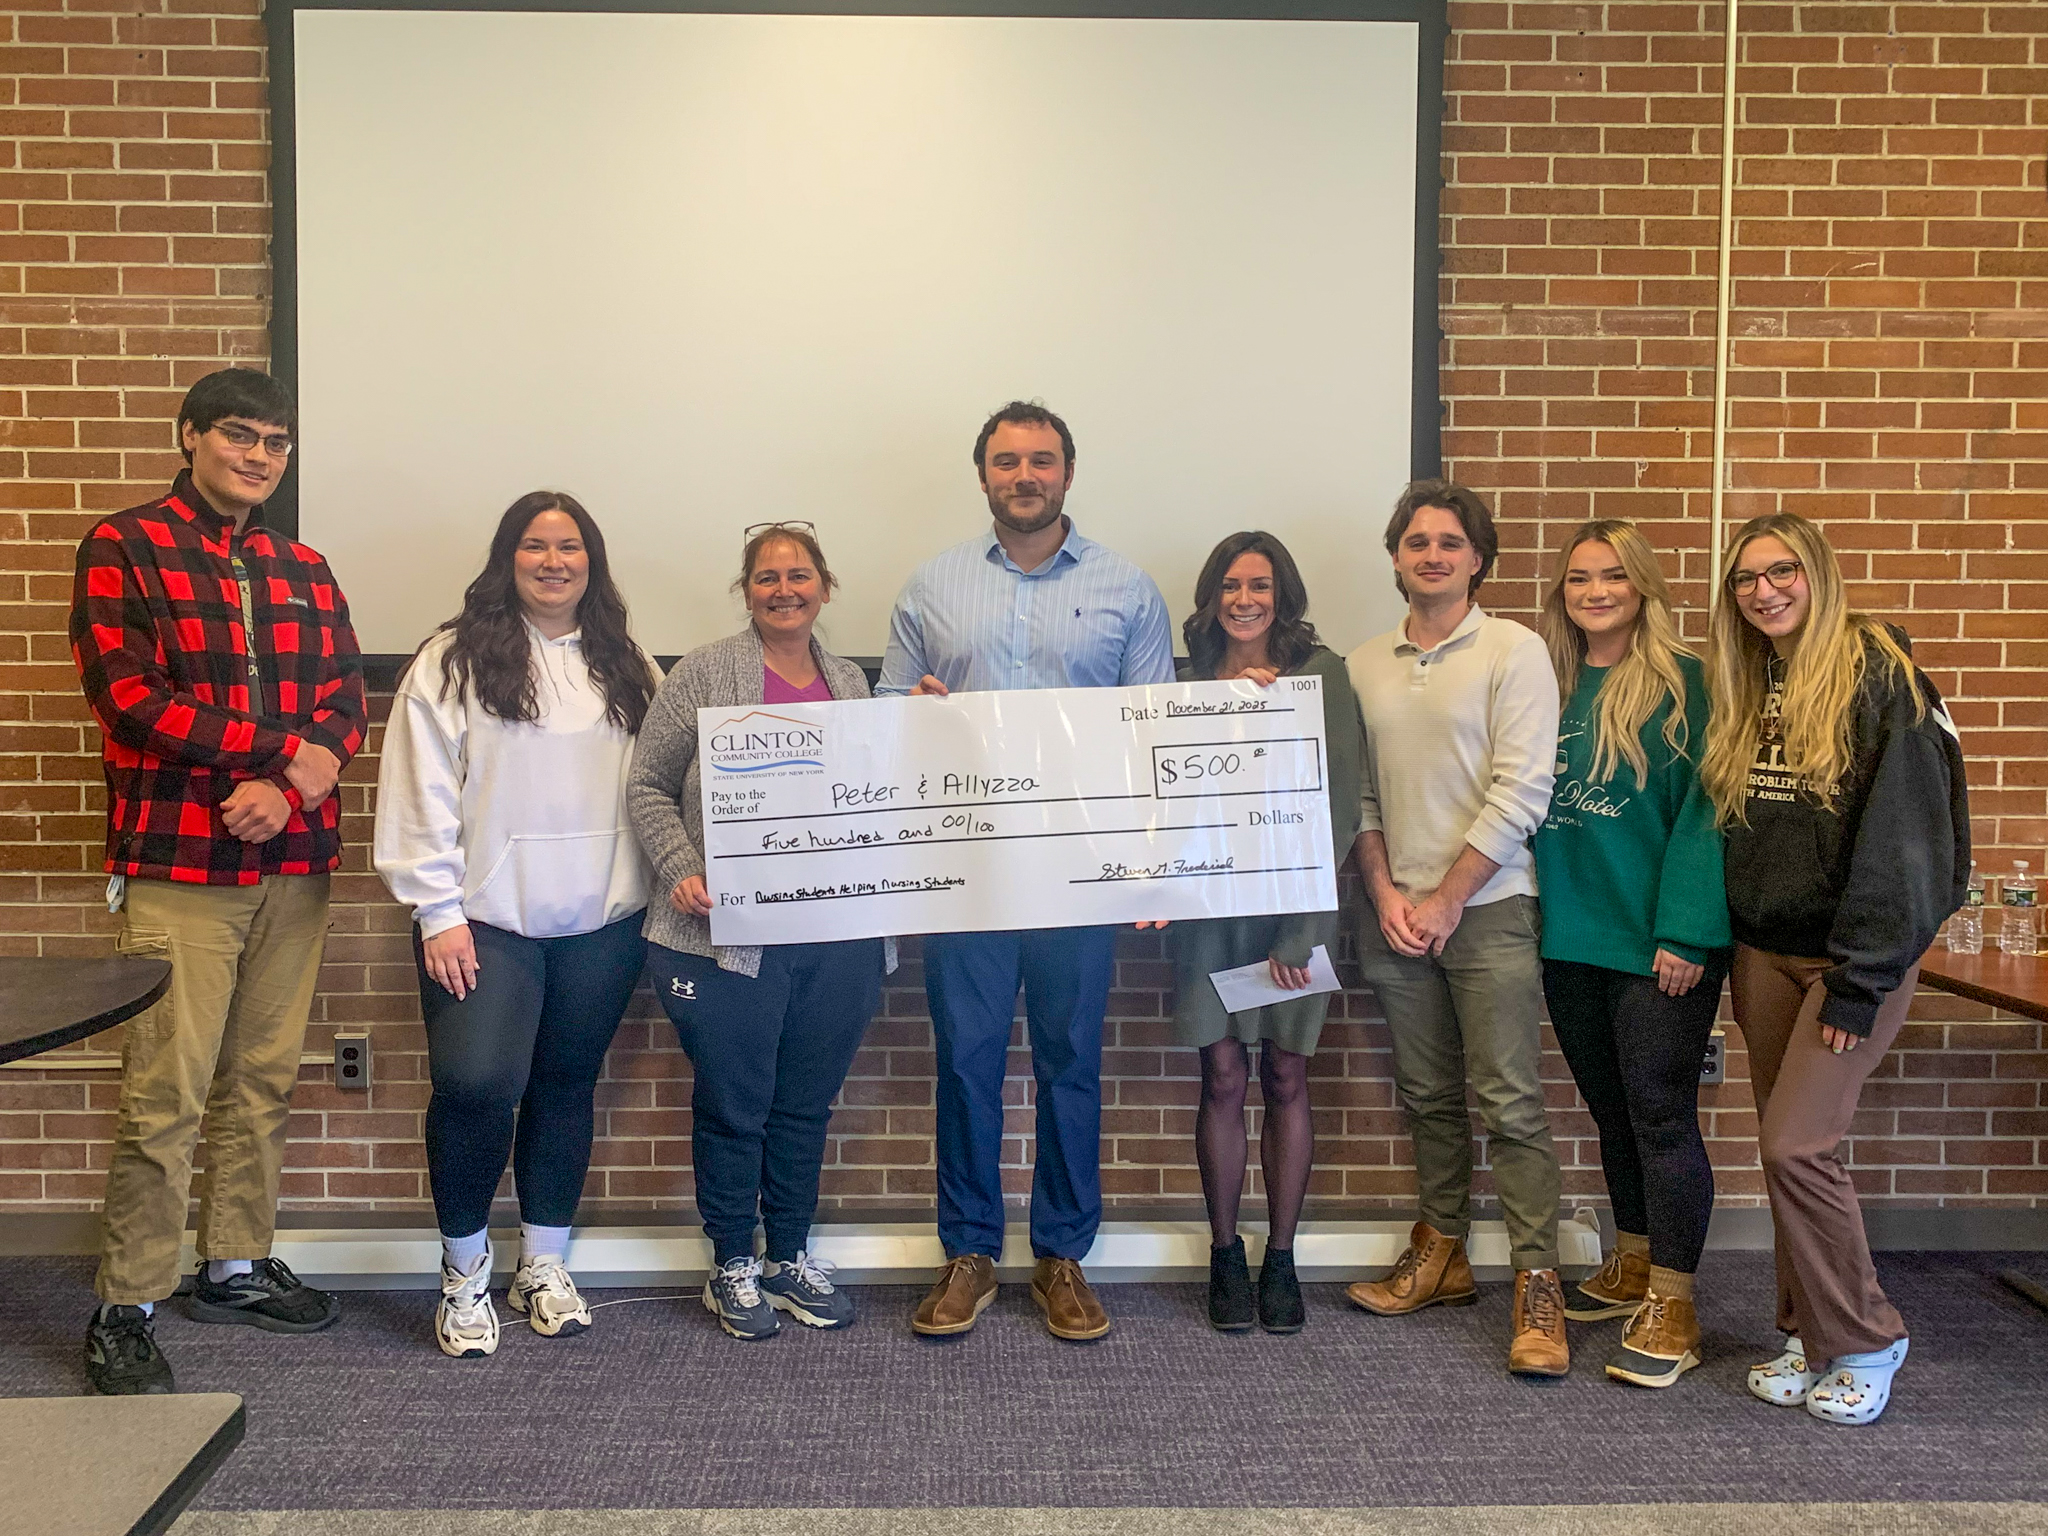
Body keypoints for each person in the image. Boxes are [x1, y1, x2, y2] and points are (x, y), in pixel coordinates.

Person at [69, 368, 365, 1395]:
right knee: (166, 1092)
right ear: (190, 437)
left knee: (264, 1078)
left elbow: (344, 699)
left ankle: (232, 1265)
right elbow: (130, 697)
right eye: (239, 435)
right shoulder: (125, 545)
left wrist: (287, 788)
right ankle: (128, 1300)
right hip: (180, 863)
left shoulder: (305, 566)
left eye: (275, 443)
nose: (258, 456)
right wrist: (284, 757)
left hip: (292, 862)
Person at [879, 401, 1175, 1342]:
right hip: (966, 871)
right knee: (965, 1064)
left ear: (1068, 474)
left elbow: (1153, 734)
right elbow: (886, 715)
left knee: (1069, 1064)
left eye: (1040, 460)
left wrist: (1151, 870)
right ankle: (968, 1250)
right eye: (1006, 461)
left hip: (1078, 877)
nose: (1024, 475)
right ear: (983, 477)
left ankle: (1061, 1256)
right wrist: (917, 713)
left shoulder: (1128, 589)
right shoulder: (933, 585)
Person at [374, 492, 656, 1358]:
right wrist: (436, 910)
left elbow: (657, 781)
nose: (553, 561)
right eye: (534, 546)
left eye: (570, 547)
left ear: (592, 561)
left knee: (566, 1088)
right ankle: (464, 1273)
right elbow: (418, 788)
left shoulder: (626, 660)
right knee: (476, 1087)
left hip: (602, 919)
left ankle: (543, 1262)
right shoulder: (450, 662)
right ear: (508, 558)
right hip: (483, 921)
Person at [1702, 511, 1967, 1425]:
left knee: (1797, 1145)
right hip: (1765, 953)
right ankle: (1802, 1331)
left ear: (1818, 574)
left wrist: (1861, 978)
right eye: (1745, 579)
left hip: (1852, 961)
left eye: (1782, 572)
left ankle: (1865, 1335)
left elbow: (1909, 842)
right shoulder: (1753, 680)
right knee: (1785, 1152)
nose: (1763, 591)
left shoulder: (1879, 673)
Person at [627, 522, 888, 1341]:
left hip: (834, 936)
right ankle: (732, 1262)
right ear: (747, 591)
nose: (784, 590)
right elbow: (646, 786)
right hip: (722, 936)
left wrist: (927, 731)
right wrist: (680, 869)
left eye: (799, 574)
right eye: (767, 577)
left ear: (825, 586)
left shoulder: (849, 680)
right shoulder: (706, 671)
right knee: (737, 1104)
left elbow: (884, 793)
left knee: (805, 1104)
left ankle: (790, 1256)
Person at [1341, 479, 1569, 1377]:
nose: (1431, 554)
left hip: (1491, 908)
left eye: (1449, 541)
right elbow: (1359, 796)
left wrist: (1447, 899)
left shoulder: (1515, 650)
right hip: (1396, 912)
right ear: (1395, 558)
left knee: (1509, 1100)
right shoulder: (1365, 663)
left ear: (1478, 557)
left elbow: (1524, 790)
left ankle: (1538, 1285)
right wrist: (1387, 891)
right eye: (1415, 541)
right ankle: (1440, 1256)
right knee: (1428, 1097)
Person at [1530, 520, 1730, 1388]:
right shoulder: (1548, 680)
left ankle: (1676, 1302)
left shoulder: (1691, 685)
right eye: (1579, 579)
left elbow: (1709, 813)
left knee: (1658, 1111)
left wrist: (1686, 931)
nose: (1596, 592)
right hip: (1569, 936)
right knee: (1610, 1107)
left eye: (1613, 576)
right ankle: (1636, 1260)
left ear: (1642, 585)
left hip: (1658, 945)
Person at [1166, 531, 1364, 1334]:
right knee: (1219, 1077)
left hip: (1294, 912)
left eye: (1261, 585)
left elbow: (1340, 808)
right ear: (1212, 595)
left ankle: (1281, 1256)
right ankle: (1225, 1254)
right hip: (1207, 916)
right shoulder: (1180, 682)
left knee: (1284, 1077)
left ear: (1283, 595)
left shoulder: (1321, 674)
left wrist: (1301, 935)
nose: (1245, 599)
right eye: (1231, 585)